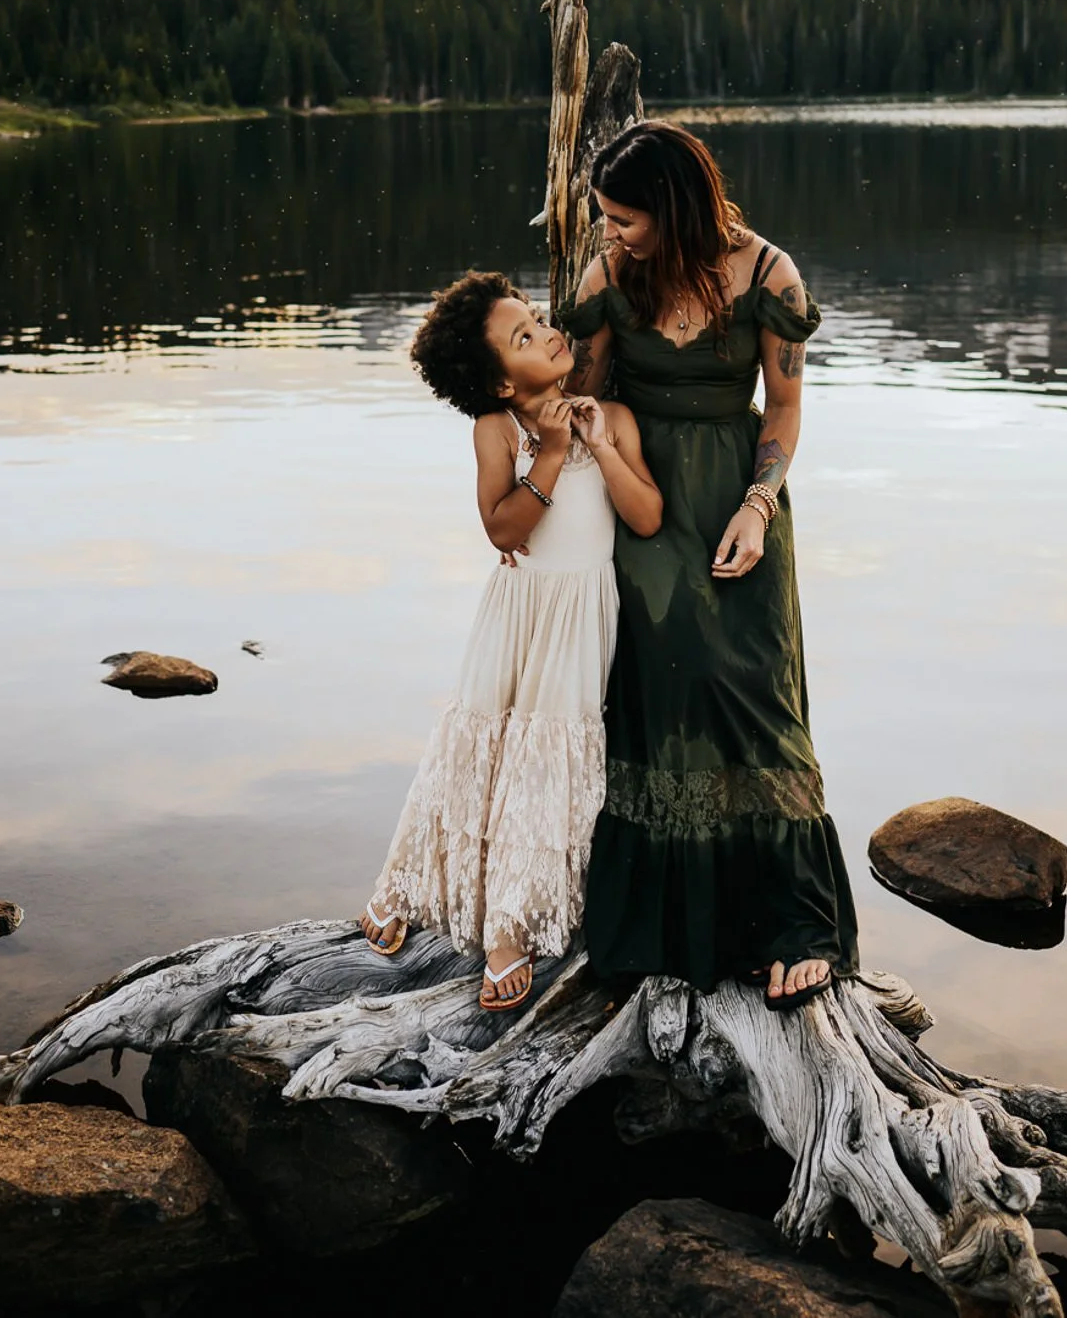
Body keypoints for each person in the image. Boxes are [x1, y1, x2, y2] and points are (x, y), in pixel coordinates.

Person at [562, 121, 860, 1011]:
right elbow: (576, 396)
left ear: (676, 207)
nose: (610, 234)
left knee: (755, 690)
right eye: (605, 219)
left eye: (624, 218)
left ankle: (796, 923)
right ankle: (665, 924)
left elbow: (786, 405)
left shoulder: (770, 275)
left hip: (741, 501)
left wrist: (759, 506)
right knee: (665, 688)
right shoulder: (611, 277)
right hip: (645, 499)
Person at [362, 271, 663, 1011]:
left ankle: (510, 929)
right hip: (518, 613)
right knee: (478, 751)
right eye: (524, 336)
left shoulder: (612, 416)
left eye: (536, 318)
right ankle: (403, 887)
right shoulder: (498, 431)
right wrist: (553, 454)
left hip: (578, 621)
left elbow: (648, 516)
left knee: (543, 768)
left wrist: (598, 443)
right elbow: (503, 530)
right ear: (500, 382)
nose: (548, 330)